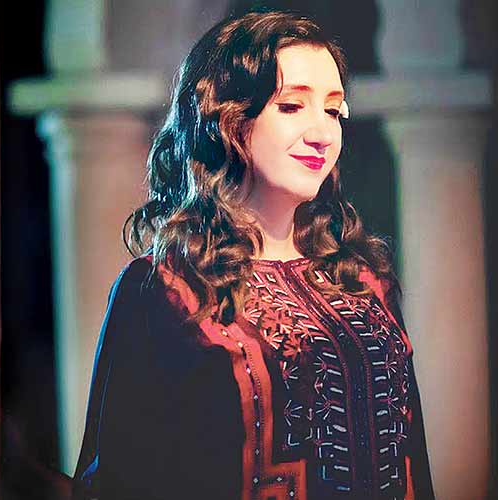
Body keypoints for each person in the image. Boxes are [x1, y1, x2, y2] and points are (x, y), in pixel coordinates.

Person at [72, 10, 434, 500]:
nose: (322, 133)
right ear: (229, 118)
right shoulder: (168, 290)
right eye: (292, 106)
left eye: (333, 111)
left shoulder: (364, 281)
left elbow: (415, 466)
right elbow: (117, 482)